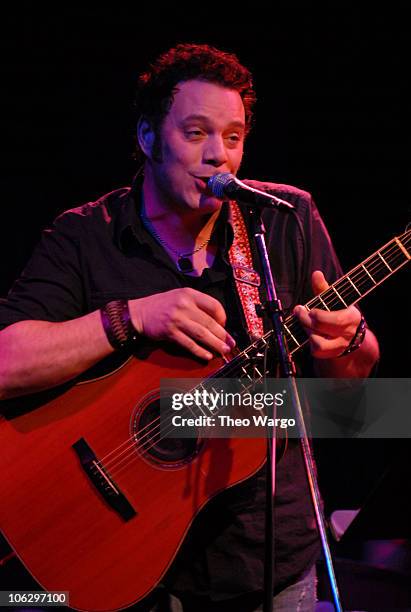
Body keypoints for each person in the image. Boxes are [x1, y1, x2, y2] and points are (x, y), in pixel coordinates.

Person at [0, 43, 379, 611]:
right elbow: (5, 364)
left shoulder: (284, 220)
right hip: (124, 562)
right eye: (196, 133)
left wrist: (347, 344)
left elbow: (351, 402)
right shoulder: (85, 236)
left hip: (269, 560)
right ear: (149, 139)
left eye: (233, 137)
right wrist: (129, 318)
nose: (218, 157)